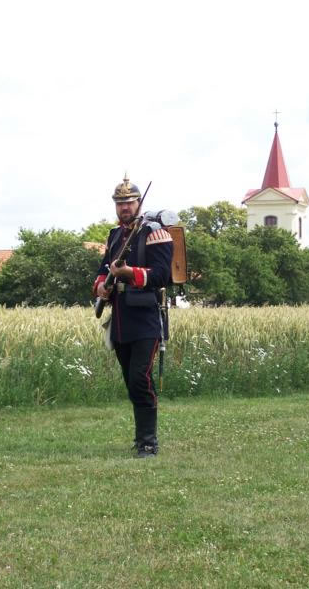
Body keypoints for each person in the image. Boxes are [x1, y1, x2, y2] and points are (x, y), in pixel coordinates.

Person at [93, 175, 173, 458]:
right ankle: (141, 439)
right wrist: (101, 286)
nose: (124, 207)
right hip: (120, 318)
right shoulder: (115, 235)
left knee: (140, 378)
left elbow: (161, 275)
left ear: (138, 202)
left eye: (129, 202)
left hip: (146, 317)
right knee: (131, 380)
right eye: (120, 203)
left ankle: (149, 442)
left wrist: (128, 273)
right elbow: (103, 270)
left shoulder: (155, 233)